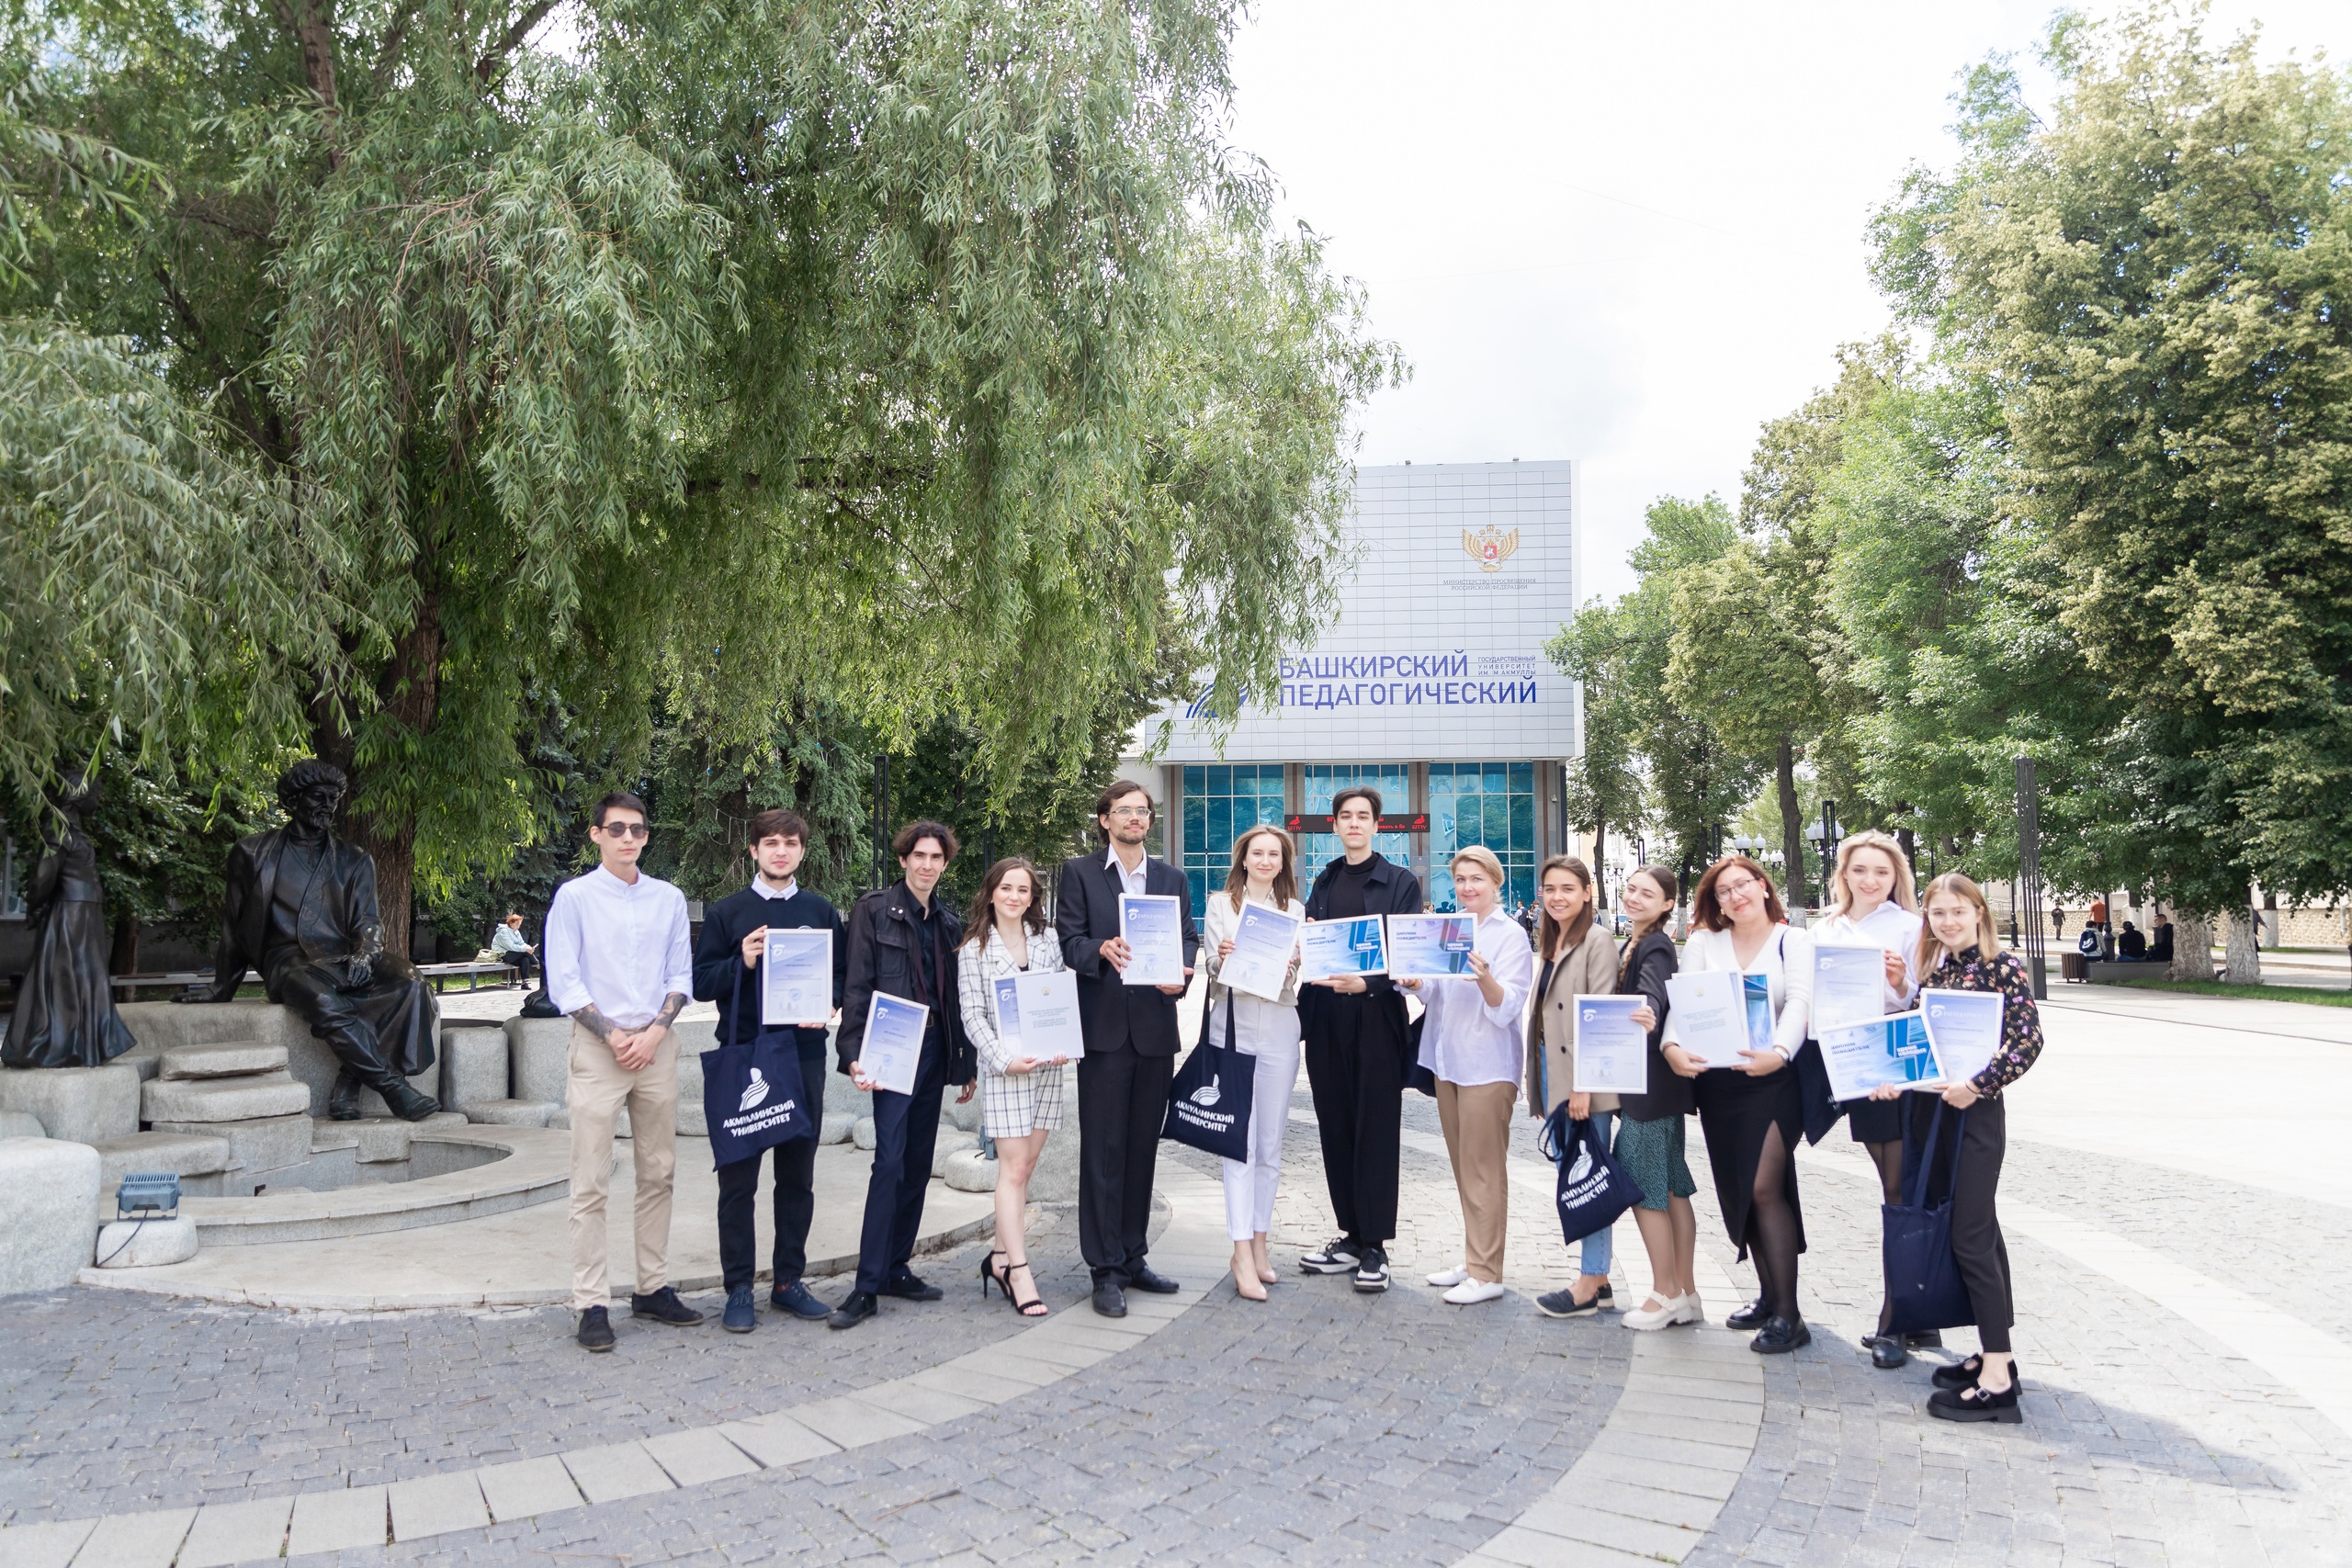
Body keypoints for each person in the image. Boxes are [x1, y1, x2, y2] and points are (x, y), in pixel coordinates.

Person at [1867, 873, 2044, 1423]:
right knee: (1976, 1233)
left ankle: (1998, 1381)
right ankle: (1996, 1355)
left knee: (1969, 1235)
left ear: (1979, 913)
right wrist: (1892, 1077)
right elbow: (1920, 1043)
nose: (1947, 921)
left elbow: (2028, 1040)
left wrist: (1979, 1085)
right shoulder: (1937, 968)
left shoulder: (2002, 966)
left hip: (1975, 1116)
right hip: (1933, 1114)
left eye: (1957, 911)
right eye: (1938, 913)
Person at [544, 791, 705, 1351]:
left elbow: (680, 975)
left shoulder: (668, 898)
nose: (628, 838)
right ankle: (591, 1302)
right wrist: (613, 1036)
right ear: (596, 835)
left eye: (637, 829)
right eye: (616, 829)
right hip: (599, 1050)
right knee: (590, 1180)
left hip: (656, 1047)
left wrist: (655, 1033)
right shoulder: (575, 898)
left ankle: (652, 1288)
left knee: (658, 1173)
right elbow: (564, 981)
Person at [691, 808, 847, 1332]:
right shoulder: (727, 912)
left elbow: (841, 974)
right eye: (771, 843)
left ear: (802, 850)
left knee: (797, 1177)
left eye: (790, 843)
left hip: (803, 1056)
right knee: (738, 1181)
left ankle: (788, 1282)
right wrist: (742, 961)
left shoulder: (820, 911)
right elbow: (701, 982)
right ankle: (739, 1287)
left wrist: (829, 1003)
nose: (781, 851)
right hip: (745, 1056)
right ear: (754, 850)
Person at [1057, 781, 1198, 1317]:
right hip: (1104, 1033)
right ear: (1105, 820)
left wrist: (1181, 974)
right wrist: (1101, 949)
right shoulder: (1080, 873)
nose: (1135, 818)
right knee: (1103, 1152)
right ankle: (1105, 1269)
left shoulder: (1171, 878)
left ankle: (1134, 1256)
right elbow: (1068, 942)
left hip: (1155, 1031)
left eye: (1142, 811)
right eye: (1124, 810)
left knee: (1141, 1149)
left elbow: (1187, 938)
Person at [1663, 855, 1815, 1354]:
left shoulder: (1793, 941)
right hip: (1719, 1083)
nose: (1735, 896)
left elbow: (1800, 1003)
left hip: (1774, 1080)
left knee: (1764, 1186)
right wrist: (1671, 1045)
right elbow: (1684, 1004)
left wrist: (1780, 1052)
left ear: (1763, 886)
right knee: (1740, 1190)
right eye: (1723, 891)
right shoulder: (1704, 942)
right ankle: (1769, 1297)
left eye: (1742, 885)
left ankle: (1789, 1316)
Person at [831, 820, 978, 1329]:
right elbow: (857, 985)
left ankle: (896, 1267)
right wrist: (852, 1052)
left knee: (917, 1163)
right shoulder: (873, 910)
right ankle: (866, 1285)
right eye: (919, 856)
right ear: (903, 859)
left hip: (934, 1048)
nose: (927, 865)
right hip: (891, 1047)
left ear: (944, 864)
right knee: (889, 1163)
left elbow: (954, 999)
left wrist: (964, 1063)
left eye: (936, 858)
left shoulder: (948, 923)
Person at [1296, 785, 1424, 1293]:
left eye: (1362, 816)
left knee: (1376, 1128)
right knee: (1336, 1125)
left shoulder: (1400, 882)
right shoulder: (1324, 880)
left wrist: (1367, 983)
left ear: (1376, 824)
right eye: (1345, 816)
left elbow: (1407, 948)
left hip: (1375, 1020)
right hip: (1326, 1019)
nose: (1354, 823)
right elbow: (1312, 943)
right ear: (1335, 825)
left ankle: (1375, 1245)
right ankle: (1350, 1236)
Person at [1408, 846, 1535, 1306]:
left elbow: (1508, 1007)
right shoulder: (1449, 928)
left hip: (1486, 1065)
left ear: (1495, 882)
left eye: (1477, 879)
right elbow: (1435, 995)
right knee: (1465, 1167)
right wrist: (1416, 983)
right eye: (1460, 879)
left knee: (1484, 1170)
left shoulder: (1511, 936)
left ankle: (1487, 1273)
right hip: (1448, 1062)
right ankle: (1475, 1258)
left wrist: (1484, 977)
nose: (1467, 887)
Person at [956, 856, 1069, 1319]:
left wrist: (1063, 1041)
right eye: (1006, 888)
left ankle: (999, 1259)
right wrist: (1004, 1060)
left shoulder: (1047, 938)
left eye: (1023, 889)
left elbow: (1058, 996)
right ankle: (1020, 1271)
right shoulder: (973, 950)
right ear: (991, 892)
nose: (1014, 896)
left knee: (1028, 1165)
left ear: (1032, 897)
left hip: (1046, 1069)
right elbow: (972, 1017)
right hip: (1006, 1072)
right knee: (1013, 1169)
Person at [1200, 825, 1307, 1302]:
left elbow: (1293, 977)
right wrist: (1223, 958)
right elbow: (1211, 968)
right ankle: (1240, 1251)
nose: (1265, 861)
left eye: (1274, 855)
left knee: (1269, 1144)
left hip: (1280, 1026)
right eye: (1257, 853)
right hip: (1234, 1025)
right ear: (1243, 859)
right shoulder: (1220, 905)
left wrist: (1291, 965)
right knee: (1239, 1143)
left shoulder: (1294, 911)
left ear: (1283, 863)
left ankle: (1260, 1244)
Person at [1521, 855, 1621, 1317]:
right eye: (1550, 889)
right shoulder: (1551, 939)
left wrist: (1584, 1086)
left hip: (1583, 1077)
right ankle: (1599, 1280)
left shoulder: (1597, 940)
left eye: (1567, 888)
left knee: (1587, 1177)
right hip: (1553, 1070)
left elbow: (1599, 1017)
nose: (1557, 897)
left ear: (1586, 893)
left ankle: (1588, 1283)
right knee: (1574, 1171)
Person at [1611, 866, 1703, 1332]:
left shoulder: (1656, 945)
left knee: (1645, 1185)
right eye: (1631, 889)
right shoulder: (1636, 941)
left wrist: (1645, 1010)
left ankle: (1665, 1292)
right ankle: (1686, 1294)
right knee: (1671, 1187)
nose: (1634, 897)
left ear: (1668, 904)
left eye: (1647, 894)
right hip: (1658, 1087)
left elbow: (1654, 993)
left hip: (1649, 1087)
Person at [492, 912, 537, 986]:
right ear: (511, 923)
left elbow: (521, 943)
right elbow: (511, 946)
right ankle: (537, 964)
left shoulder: (516, 931)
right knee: (525, 952)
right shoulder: (503, 932)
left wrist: (528, 948)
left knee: (525, 959)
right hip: (502, 954)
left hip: (512, 954)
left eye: (519, 925)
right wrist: (525, 949)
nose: (518, 927)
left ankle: (525, 982)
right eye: (517, 925)